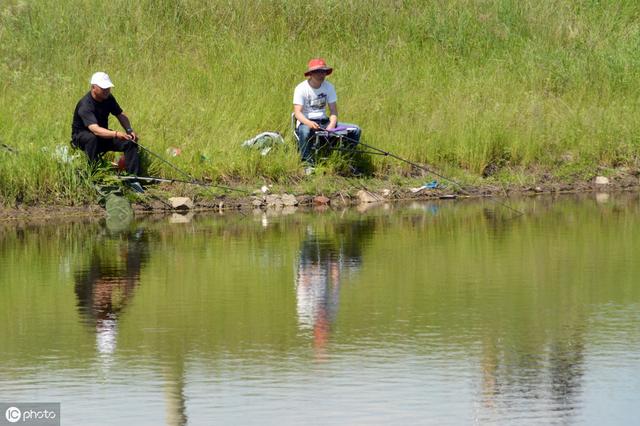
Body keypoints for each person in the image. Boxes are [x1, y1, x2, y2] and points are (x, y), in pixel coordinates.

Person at [293, 58, 361, 164]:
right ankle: (306, 163)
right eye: (318, 72)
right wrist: (309, 123)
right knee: (305, 131)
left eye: (323, 72)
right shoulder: (301, 88)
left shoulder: (329, 87)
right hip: (306, 121)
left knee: (356, 130)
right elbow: (297, 113)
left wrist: (332, 124)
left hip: (324, 122)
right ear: (311, 74)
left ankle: (346, 159)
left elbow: (333, 111)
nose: (321, 75)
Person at [71, 72, 141, 175]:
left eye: (108, 87)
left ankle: (133, 178)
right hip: (82, 138)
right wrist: (116, 134)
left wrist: (129, 130)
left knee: (129, 142)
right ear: (93, 87)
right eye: (103, 88)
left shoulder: (108, 98)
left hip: (102, 136)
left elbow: (120, 114)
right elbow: (95, 130)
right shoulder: (85, 105)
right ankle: (92, 174)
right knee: (92, 138)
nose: (107, 90)